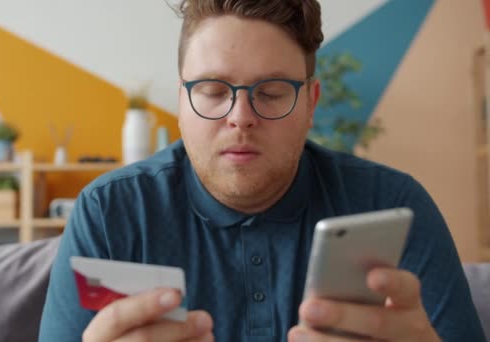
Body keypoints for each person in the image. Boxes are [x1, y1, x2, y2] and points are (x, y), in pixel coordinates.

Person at [39, 1, 485, 341]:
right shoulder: (108, 212)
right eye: (213, 90)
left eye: (271, 92)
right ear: (181, 102)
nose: (241, 117)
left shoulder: (394, 206)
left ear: (310, 104)